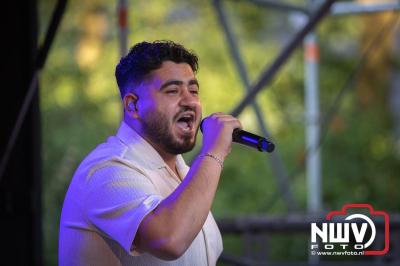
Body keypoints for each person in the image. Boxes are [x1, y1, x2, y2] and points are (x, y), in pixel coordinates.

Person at [59, 40, 242, 265]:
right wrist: (214, 152)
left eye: (193, 90)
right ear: (133, 106)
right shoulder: (108, 170)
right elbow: (169, 239)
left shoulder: (182, 171)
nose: (190, 102)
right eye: (173, 91)